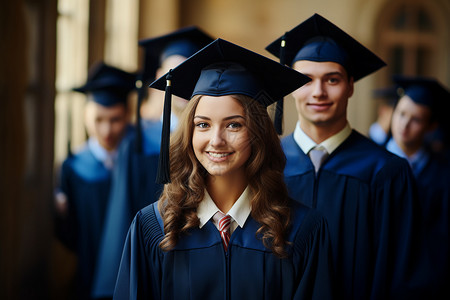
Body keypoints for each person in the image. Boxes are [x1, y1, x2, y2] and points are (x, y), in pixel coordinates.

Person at [114, 38, 335, 299]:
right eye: (203, 125)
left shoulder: (301, 230)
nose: (216, 140)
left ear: (257, 133)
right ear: (189, 133)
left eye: (233, 125)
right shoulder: (153, 228)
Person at [265, 13, 419, 299]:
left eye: (332, 80)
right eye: (306, 80)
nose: (319, 92)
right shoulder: (267, 165)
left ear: (350, 85)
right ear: (291, 87)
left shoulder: (385, 172)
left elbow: (400, 271)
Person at [90, 27, 214, 299]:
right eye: (173, 71)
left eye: (191, 72)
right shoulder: (137, 145)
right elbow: (122, 217)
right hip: (152, 269)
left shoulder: (217, 144)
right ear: (159, 78)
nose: (182, 80)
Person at [54, 61, 136, 300]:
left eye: (115, 120)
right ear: (85, 115)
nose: (107, 130)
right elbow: (70, 237)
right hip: (89, 278)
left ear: (128, 115)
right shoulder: (74, 169)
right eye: (98, 119)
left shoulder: (142, 163)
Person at [386, 75, 450, 299]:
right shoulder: (369, 163)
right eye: (402, 114)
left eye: (416, 119)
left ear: (431, 126)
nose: (404, 125)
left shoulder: (443, 175)